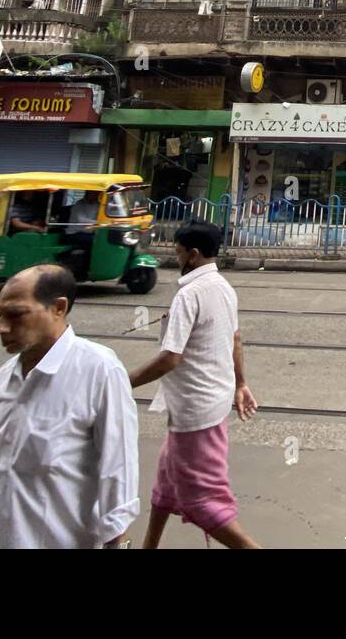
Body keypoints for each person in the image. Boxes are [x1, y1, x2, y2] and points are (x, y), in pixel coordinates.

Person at [0, 264, 139, 549]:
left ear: (59, 308)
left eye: (16, 315)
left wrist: (117, 541)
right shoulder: (5, 376)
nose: (1, 328)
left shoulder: (99, 370)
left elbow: (118, 470)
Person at [129, 219, 261, 549]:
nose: (175, 256)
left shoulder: (189, 295)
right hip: (210, 400)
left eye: (178, 251)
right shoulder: (223, 288)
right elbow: (235, 339)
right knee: (166, 484)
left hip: (196, 410)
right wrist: (241, 384)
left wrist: (121, 381)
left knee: (202, 503)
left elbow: (170, 358)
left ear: (194, 254)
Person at [64, 190, 101, 255]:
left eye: (97, 193)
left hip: (89, 233)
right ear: (88, 193)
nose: (96, 194)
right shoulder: (79, 204)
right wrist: (100, 222)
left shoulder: (98, 205)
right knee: (96, 241)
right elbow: (81, 220)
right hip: (74, 234)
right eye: (93, 192)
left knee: (102, 240)